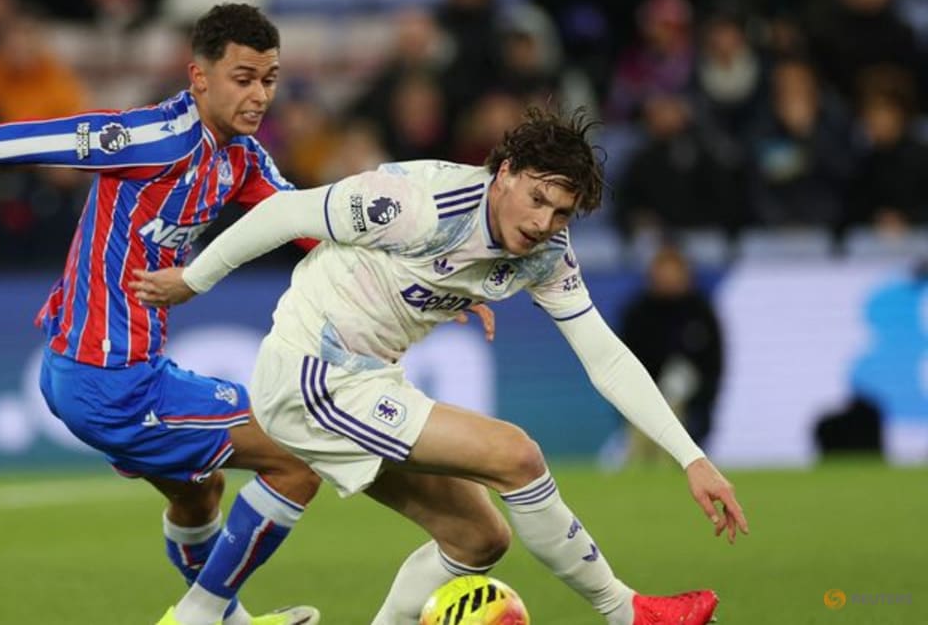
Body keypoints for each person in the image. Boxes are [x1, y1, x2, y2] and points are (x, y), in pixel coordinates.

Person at [134, 106, 750, 625]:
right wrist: (193, 279)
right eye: (537, 198)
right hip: (311, 374)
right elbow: (283, 214)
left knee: (478, 539)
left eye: (561, 212)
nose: (542, 223)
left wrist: (691, 458)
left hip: (369, 378)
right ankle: (626, 612)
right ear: (503, 173)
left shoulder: (544, 253)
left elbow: (604, 355)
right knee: (517, 456)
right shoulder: (416, 202)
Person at [0, 3, 343, 625]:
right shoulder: (151, 137)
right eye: (243, 78)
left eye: (270, 79)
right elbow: (34, 140)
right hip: (109, 379)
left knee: (200, 493)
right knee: (297, 459)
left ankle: (225, 620)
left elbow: (313, 225)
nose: (259, 95)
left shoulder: (243, 160)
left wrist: (421, 279)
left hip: (106, 371)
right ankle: (200, 616)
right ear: (199, 77)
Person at [620, 245, 724, 461]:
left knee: (676, 385)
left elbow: (712, 360)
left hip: (691, 396)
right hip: (645, 389)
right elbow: (624, 356)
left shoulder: (700, 310)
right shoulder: (639, 312)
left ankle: (672, 461)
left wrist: (703, 393)